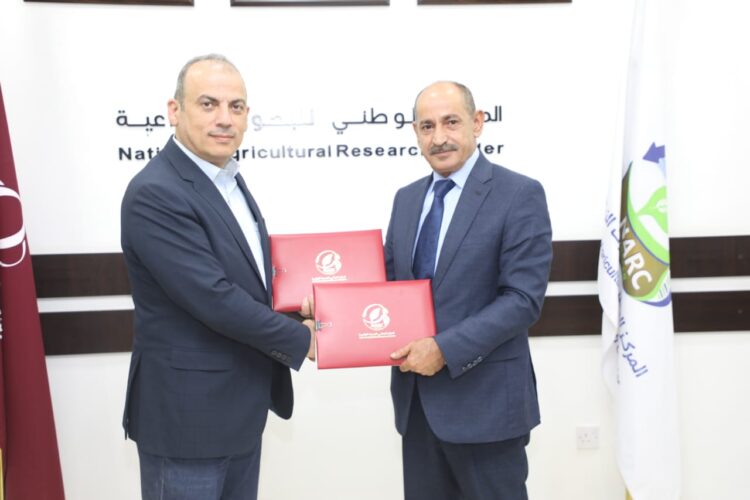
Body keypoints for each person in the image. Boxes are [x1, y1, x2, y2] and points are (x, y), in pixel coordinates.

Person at [120, 54, 315, 500]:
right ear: (175, 111)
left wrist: (300, 304)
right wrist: (303, 338)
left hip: (239, 410)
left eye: (236, 106)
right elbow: (213, 297)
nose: (225, 119)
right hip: (187, 420)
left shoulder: (227, 180)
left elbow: (245, 282)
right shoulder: (156, 191)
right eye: (208, 104)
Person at [386, 81, 553, 500]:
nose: (438, 137)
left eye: (451, 122)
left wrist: (444, 349)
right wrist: (328, 309)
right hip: (418, 407)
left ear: (477, 123)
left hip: (488, 407)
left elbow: (522, 300)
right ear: (415, 132)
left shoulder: (519, 194)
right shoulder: (406, 200)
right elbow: (388, 287)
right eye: (427, 126)